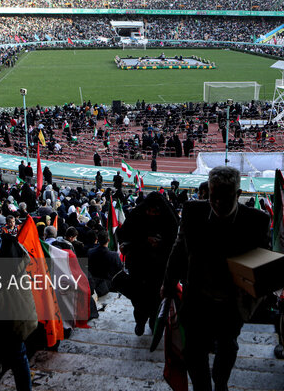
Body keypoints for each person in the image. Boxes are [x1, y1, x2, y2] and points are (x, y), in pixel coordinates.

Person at [162, 166, 270, 391]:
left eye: (226, 197)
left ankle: (220, 382)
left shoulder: (257, 221)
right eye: (214, 196)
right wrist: (169, 282)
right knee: (193, 350)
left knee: (227, 347)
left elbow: (262, 266)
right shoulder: (193, 211)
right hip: (197, 299)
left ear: (238, 195)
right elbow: (179, 248)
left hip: (231, 304)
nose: (218, 202)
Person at [117, 192, 178, 335]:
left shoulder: (170, 219)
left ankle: (153, 321)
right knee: (138, 298)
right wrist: (144, 240)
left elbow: (175, 242)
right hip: (139, 264)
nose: (150, 214)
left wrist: (161, 243)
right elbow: (125, 234)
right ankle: (140, 321)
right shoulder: (137, 214)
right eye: (148, 211)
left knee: (157, 298)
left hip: (159, 268)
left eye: (154, 212)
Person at [87, 229, 123, 296]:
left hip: (95, 285)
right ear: (108, 240)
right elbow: (120, 271)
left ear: (98, 239)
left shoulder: (90, 252)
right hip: (110, 287)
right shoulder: (114, 255)